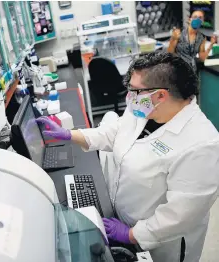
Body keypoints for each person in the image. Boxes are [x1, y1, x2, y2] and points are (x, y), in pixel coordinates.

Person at [36, 52, 219, 262]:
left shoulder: (202, 145)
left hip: (163, 243)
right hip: (122, 221)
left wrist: (132, 234)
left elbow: (180, 215)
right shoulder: (144, 111)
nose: (128, 96)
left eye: (134, 90)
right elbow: (114, 132)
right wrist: (71, 135)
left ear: (160, 95)